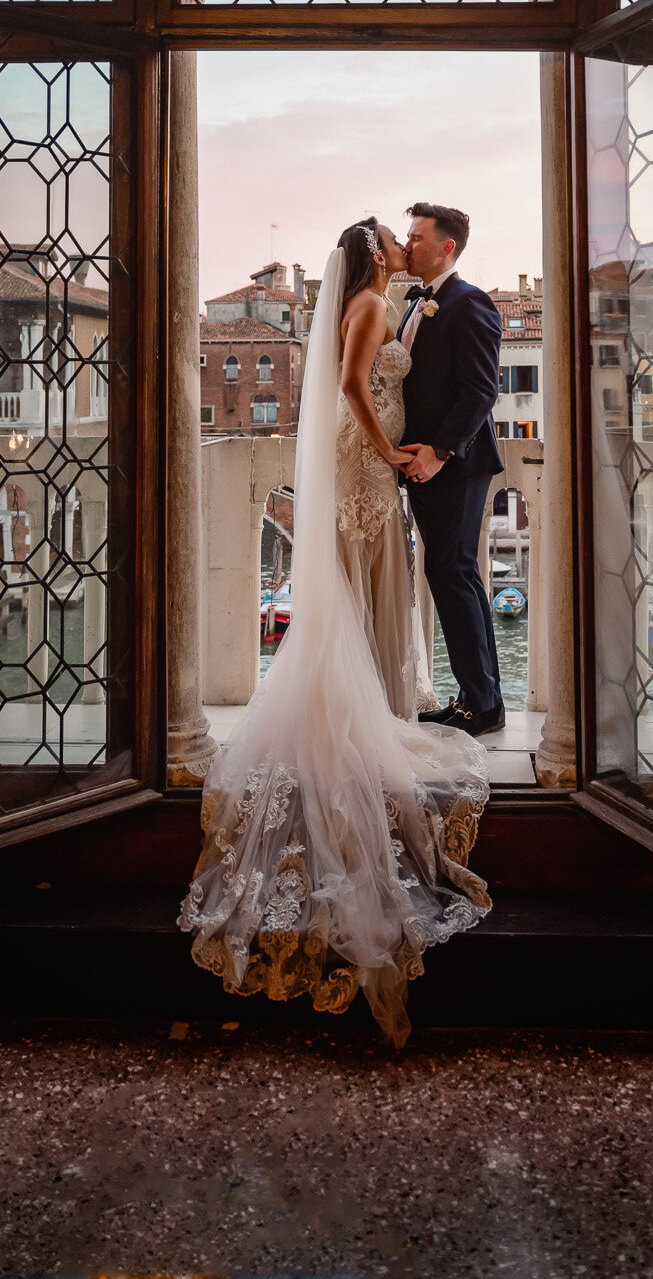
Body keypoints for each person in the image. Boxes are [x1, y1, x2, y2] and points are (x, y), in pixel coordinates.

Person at [179, 218, 491, 1046]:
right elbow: (356, 386)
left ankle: (377, 704)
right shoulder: (369, 306)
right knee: (368, 585)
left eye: (412, 232)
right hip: (367, 462)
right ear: (377, 253)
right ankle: (372, 713)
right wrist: (388, 452)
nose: (403, 240)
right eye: (394, 235)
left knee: (372, 588)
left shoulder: (380, 300)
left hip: (367, 461)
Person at [399, 203, 506, 736]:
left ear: (446, 247)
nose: (407, 244)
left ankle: (481, 705)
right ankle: (479, 696)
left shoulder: (470, 303)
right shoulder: (416, 302)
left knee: (454, 573)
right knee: (451, 574)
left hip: (456, 466)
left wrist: (438, 452)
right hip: (425, 464)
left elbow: (482, 390)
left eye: (416, 237)